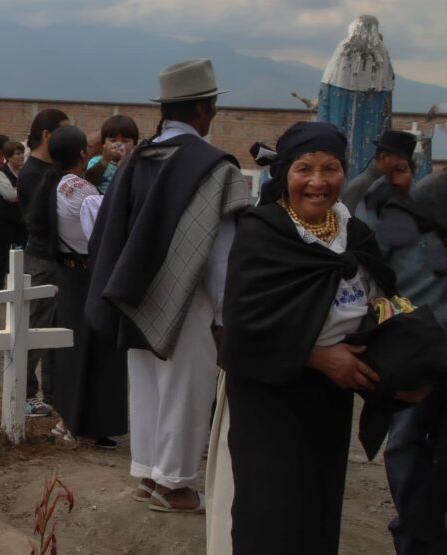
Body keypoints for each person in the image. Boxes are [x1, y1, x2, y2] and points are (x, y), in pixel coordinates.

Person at [216, 121, 402, 554]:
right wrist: (319, 357)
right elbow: (244, 326)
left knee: (317, 509)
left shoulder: (353, 232)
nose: (318, 182)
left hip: (327, 401)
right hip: (270, 401)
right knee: (273, 513)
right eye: (304, 168)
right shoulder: (263, 232)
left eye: (331, 168)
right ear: (285, 174)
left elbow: (382, 299)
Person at [86, 58, 250, 513]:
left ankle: (148, 472)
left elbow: (111, 229)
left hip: (135, 290)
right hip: (189, 297)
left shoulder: (140, 156)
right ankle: (173, 485)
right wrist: (223, 314)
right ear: (204, 109)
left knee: (147, 383)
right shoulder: (214, 167)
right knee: (187, 388)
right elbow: (219, 251)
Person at [354, 133, 447, 554]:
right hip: (416, 346)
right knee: (407, 441)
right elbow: (377, 266)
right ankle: (413, 535)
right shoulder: (403, 205)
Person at [26, 126, 128, 450]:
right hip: (86, 275)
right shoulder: (82, 190)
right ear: (83, 153)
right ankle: (83, 425)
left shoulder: (52, 183)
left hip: (67, 273)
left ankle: (66, 419)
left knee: (71, 351)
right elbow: (103, 235)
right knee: (92, 352)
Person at [17, 108, 70, 417]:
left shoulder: (53, 170)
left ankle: (52, 393)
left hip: (55, 260)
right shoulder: (32, 173)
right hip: (40, 260)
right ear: (48, 135)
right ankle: (23, 393)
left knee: (53, 331)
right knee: (34, 330)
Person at [342, 130, 417, 214]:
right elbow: (348, 223)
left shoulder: (392, 185)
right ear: (384, 157)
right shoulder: (362, 186)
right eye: (399, 166)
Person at [0, 141, 27, 291]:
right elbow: (10, 195)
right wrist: (24, 191)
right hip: (4, 220)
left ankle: (19, 283)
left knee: (22, 250)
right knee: (2, 252)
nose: (21, 156)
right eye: (17, 153)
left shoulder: (25, 172)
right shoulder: (0, 173)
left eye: (22, 153)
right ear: (8, 156)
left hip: (21, 219)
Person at [85, 115, 139, 195]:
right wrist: (104, 161)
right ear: (104, 143)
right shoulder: (96, 161)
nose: (119, 144)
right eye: (113, 141)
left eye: (125, 141)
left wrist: (124, 166)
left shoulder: (137, 164)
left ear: (134, 144)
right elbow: (89, 181)